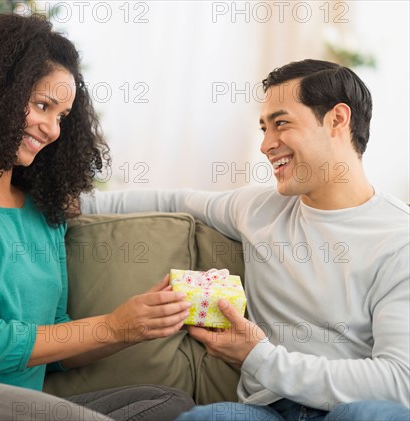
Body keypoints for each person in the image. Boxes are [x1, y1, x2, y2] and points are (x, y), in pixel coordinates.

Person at [0, 13, 195, 421]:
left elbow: (56, 346)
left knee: (169, 405)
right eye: (42, 106)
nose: (53, 129)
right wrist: (111, 326)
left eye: (62, 116)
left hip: (17, 407)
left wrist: (136, 325)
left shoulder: (46, 215)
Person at [80, 59, 410, 420]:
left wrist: (259, 356)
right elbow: (170, 200)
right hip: (266, 411)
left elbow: (397, 382)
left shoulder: (398, 239)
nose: (266, 144)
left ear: (337, 120)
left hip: (348, 412)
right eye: (264, 128)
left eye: (281, 123)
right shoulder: (259, 208)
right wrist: (58, 202)